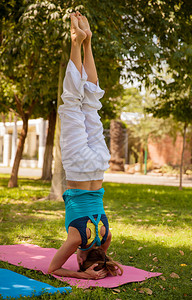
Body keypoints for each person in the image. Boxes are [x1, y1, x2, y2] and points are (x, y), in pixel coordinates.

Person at [48, 12, 123, 280]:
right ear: (80, 261)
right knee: (72, 101)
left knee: (91, 103)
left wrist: (102, 260)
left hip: (99, 165)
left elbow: (104, 248)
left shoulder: (104, 235)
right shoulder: (77, 238)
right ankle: (76, 41)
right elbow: (53, 269)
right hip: (79, 168)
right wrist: (86, 276)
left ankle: (88, 41)